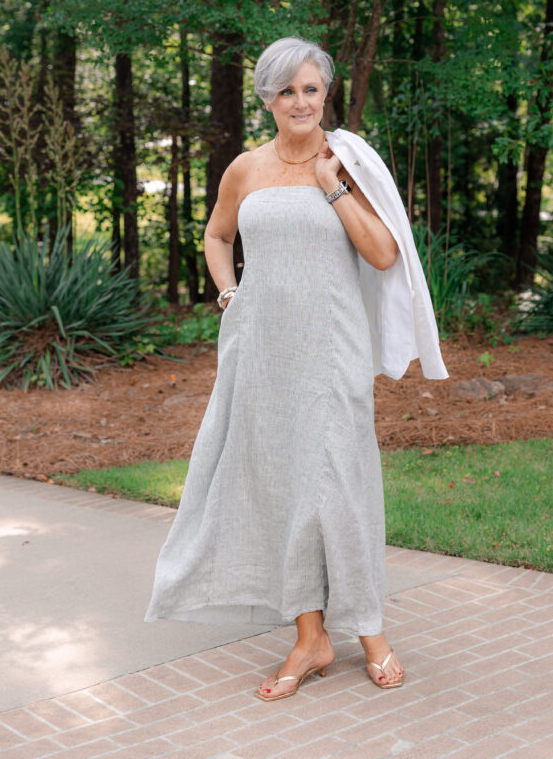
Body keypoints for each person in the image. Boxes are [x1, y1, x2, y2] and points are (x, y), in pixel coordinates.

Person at [145, 36, 447, 700]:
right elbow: (216, 235)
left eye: (310, 88)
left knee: (339, 485)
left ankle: (368, 627)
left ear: (325, 93)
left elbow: (384, 254)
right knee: (281, 487)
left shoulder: (347, 162)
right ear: (268, 99)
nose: (300, 101)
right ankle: (310, 637)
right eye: (287, 91)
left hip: (331, 351)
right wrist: (229, 294)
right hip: (262, 353)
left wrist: (333, 188)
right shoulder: (244, 169)